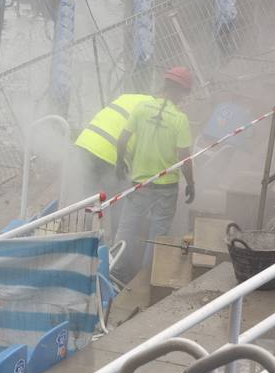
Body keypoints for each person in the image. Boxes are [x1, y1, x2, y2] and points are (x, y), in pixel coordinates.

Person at [111, 67, 195, 285]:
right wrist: (191, 183)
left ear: (165, 85)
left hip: (139, 184)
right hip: (166, 187)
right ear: (181, 92)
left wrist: (120, 163)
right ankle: (144, 279)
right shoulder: (180, 119)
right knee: (158, 235)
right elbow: (185, 157)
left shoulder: (141, 108)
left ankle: (115, 271)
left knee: (127, 226)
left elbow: (122, 140)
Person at [74, 93, 152, 239]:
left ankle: (86, 241)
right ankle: (116, 245)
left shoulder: (129, 97)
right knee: (118, 201)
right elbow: (144, 152)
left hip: (86, 143)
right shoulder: (154, 112)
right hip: (109, 153)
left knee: (91, 199)